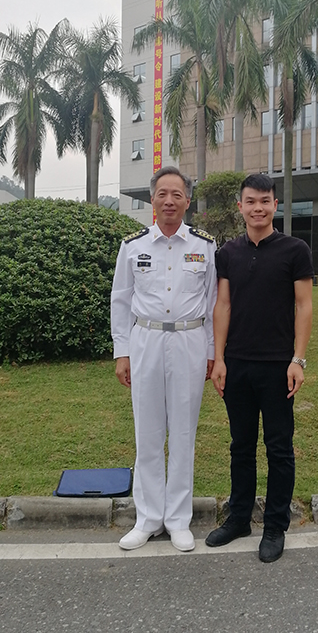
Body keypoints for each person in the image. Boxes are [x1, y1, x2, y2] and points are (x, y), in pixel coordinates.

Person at [205, 173, 313, 563]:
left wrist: (298, 360)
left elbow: (304, 306)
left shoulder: (295, 250)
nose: (258, 208)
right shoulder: (228, 253)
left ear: (275, 205)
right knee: (241, 446)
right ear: (240, 206)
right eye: (251, 201)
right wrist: (219, 359)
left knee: (279, 448)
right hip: (237, 364)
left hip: (278, 367)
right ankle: (238, 519)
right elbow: (223, 306)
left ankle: (274, 526)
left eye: (265, 201)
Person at [111, 166, 217, 552]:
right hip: (146, 341)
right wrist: (122, 351)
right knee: (148, 433)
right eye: (162, 194)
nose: (169, 201)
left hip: (190, 341)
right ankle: (148, 518)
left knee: (184, 433)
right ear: (152, 200)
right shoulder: (133, 246)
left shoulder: (205, 246)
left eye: (177, 194)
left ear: (187, 200)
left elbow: (213, 303)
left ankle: (178, 520)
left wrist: (211, 352)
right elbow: (121, 300)